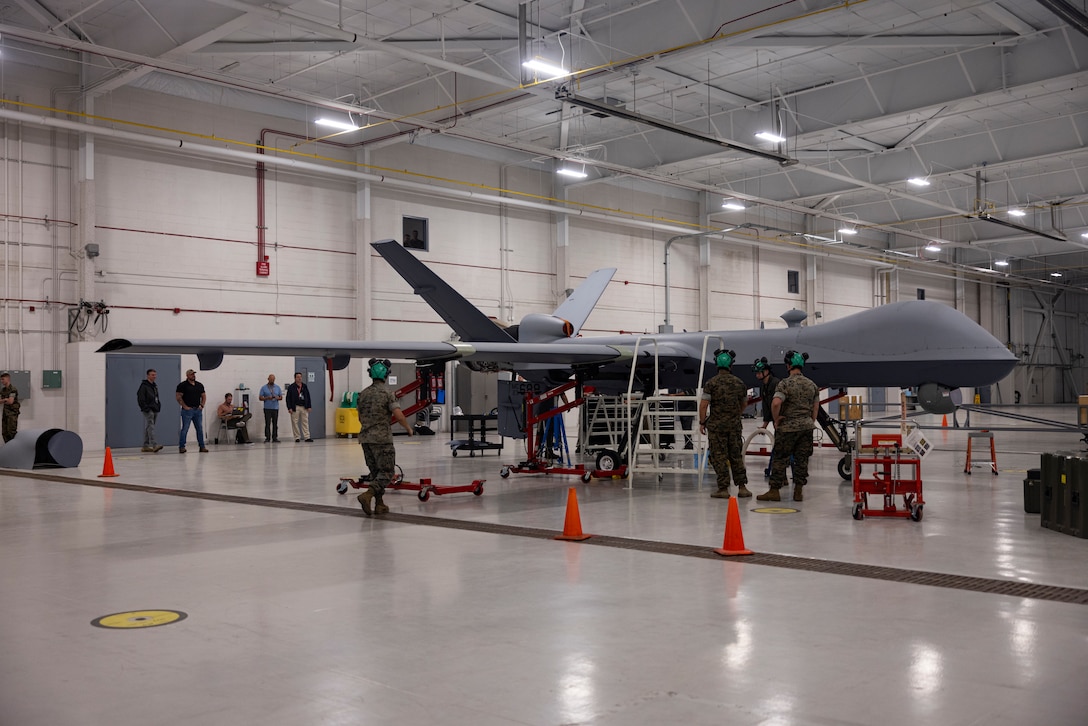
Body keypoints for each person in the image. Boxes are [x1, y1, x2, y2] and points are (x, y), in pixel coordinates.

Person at [758, 350, 819, 502]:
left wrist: (776, 418)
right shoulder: (812, 385)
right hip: (806, 427)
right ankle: (798, 491)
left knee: (780, 458)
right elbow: (815, 407)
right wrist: (809, 420)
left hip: (788, 428)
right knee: (802, 459)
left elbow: (776, 402)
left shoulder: (784, 384)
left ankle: (774, 491)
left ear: (788, 366)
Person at [356, 358, 413, 516]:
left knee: (375, 473)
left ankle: (379, 504)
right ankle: (367, 495)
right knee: (387, 472)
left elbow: (359, 416)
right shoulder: (388, 394)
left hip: (365, 439)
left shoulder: (363, 394)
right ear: (386, 375)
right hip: (382, 439)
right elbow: (398, 415)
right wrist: (408, 428)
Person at [698, 349, 751, 499]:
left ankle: (723, 488)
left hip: (716, 427)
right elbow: (744, 403)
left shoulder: (711, 383)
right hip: (734, 426)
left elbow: (703, 405)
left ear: (716, 364)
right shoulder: (739, 383)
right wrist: (736, 415)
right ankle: (742, 487)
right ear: (731, 365)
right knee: (736, 455)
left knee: (719, 456)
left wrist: (702, 422)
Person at [753, 357, 780, 476]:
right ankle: (774, 471)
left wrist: (777, 420)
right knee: (778, 447)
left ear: (766, 372)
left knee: (781, 448)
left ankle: (779, 474)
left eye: (759, 372)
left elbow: (777, 404)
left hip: (781, 419)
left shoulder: (776, 383)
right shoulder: (764, 386)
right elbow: (766, 405)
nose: (757, 375)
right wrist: (765, 424)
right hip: (776, 420)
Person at [175, 368, 208, 453]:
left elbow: (203, 396)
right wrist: (185, 406)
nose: (193, 375)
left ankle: (202, 446)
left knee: (199, 429)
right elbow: (178, 397)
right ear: (187, 375)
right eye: (191, 374)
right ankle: (182, 446)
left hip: (197, 410)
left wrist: (202, 405)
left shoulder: (199, 385)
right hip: (187, 411)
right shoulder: (182, 385)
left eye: (194, 374)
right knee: (185, 428)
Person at [137, 369, 164, 452]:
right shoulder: (144, 386)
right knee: (151, 426)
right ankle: (154, 444)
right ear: (148, 375)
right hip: (148, 409)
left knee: (149, 426)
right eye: (152, 375)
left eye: (155, 375)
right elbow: (140, 398)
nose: (154, 376)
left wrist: (158, 405)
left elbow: (156, 397)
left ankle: (145, 445)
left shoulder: (154, 386)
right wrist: (146, 408)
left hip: (155, 408)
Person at [285, 372, 313, 442]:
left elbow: (308, 396)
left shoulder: (304, 386)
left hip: (304, 407)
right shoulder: (291, 387)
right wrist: (289, 408)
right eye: (298, 377)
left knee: (305, 422)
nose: (299, 378)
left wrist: (309, 406)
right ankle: (297, 437)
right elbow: (288, 398)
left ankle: (307, 437)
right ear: (295, 378)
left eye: (300, 377)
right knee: (295, 422)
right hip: (295, 407)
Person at [259, 374, 283, 442]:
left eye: (273, 379)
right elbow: (260, 397)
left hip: (275, 408)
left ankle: (275, 437)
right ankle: (267, 437)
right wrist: (267, 398)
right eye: (271, 379)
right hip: (267, 408)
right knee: (267, 423)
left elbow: (281, 397)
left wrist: (277, 397)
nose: (272, 380)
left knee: (275, 423)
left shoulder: (277, 387)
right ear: (268, 379)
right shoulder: (263, 387)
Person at [1, 371, 20, 443]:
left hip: (12, 413)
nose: (1, 381)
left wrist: (5, 400)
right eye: (1, 379)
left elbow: (10, 401)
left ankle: (14, 448)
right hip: (5, 413)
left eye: (3, 379)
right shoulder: (3, 390)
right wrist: (5, 399)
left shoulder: (13, 389)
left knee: (11, 432)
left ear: (8, 379)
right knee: (4, 432)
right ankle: (8, 448)